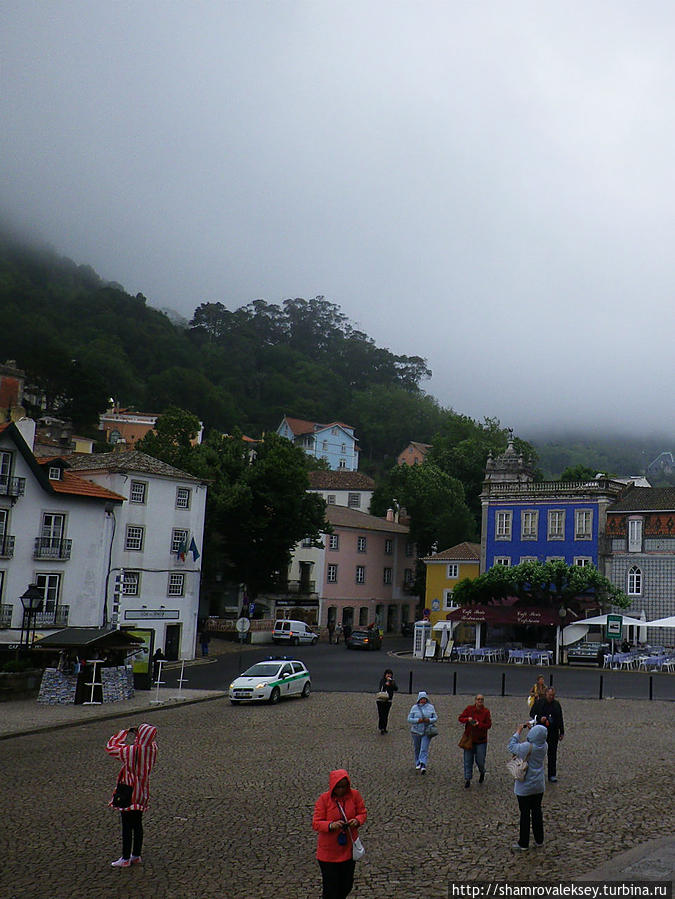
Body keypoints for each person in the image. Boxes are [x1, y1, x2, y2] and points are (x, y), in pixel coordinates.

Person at [106, 723, 158, 868]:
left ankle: (125, 858)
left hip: (128, 791)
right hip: (142, 791)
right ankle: (136, 855)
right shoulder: (152, 749)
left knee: (127, 825)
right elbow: (149, 740)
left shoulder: (132, 751)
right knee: (137, 824)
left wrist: (124, 732)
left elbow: (111, 747)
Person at [312, 769, 367, 899]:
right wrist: (331, 825)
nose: (341, 790)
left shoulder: (355, 795)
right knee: (331, 890)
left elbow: (362, 813)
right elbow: (316, 823)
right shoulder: (324, 799)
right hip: (328, 853)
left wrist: (357, 821)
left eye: (344, 786)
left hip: (348, 850)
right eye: (338, 787)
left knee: (346, 885)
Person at [507, 721, 548, 851]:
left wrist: (518, 732)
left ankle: (523, 842)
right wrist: (533, 731)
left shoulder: (526, 747)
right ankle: (539, 839)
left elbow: (511, 747)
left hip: (525, 786)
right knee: (537, 812)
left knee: (524, 814)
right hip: (538, 785)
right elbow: (537, 738)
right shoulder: (544, 745)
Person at [458, 694, 492, 787]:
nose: (480, 701)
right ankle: (468, 779)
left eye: (481, 699)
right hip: (469, 739)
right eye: (478, 699)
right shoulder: (469, 709)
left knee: (480, 760)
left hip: (481, 741)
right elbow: (460, 718)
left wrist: (479, 724)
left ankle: (482, 771)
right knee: (467, 760)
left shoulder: (486, 712)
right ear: (475, 700)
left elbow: (488, 725)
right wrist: (467, 719)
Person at [532, 686, 565, 782]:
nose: (551, 697)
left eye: (553, 695)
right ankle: (537, 774)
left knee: (552, 755)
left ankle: (552, 774)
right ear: (546, 694)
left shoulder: (557, 704)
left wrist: (562, 731)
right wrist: (539, 718)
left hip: (553, 732)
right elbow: (532, 714)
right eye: (550, 695)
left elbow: (560, 718)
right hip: (541, 732)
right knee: (538, 754)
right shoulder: (539, 703)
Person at [407, 690, 438, 774]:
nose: (423, 700)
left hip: (427, 731)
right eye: (421, 699)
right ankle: (417, 762)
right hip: (416, 731)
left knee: (424, 748)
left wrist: (429, 720)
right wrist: (418, 720)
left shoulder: (431, 707)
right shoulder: (414, 708)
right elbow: (409, 719)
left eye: (424, 699)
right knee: (417, 748)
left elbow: (435, 718)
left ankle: (423, 763)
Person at [376, 668, 398, 734]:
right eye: (387, 674)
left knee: (386, 715)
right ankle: (381, 728)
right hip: (381, 700)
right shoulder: (382, 680)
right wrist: (386, 684)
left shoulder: (392, 681)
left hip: (388, 700)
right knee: (381, 714)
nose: (389, 675)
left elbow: (396, 688)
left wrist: (391, 683)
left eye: (390, 674)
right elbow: (381, 688)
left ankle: (384, 727)